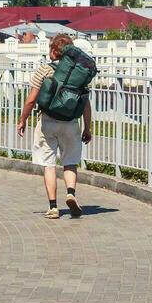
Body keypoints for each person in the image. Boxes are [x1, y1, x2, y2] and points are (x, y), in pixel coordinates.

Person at [17, 34, 94, 219]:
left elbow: (31, 100)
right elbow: (85, 103)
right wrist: (87, 128)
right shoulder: (78, 74)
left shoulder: (44, 70)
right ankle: (70, 194)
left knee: (49, 164)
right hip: (70, 123)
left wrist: (22, 120)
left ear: (53, 50)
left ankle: (53, 207)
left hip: (48, 122)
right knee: (70, 162)